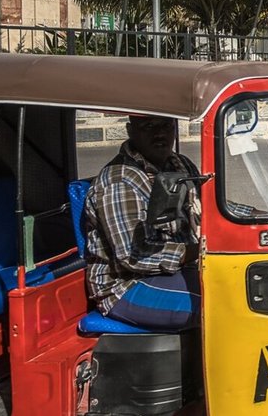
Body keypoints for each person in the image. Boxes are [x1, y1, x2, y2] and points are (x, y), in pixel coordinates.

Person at [83, 115, 201, 331]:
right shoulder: (120, 180)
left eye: (166, 125)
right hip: (127, 285)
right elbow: (134, 255)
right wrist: (198, 250)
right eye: (149, 126)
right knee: (221, 305)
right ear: (130, 131)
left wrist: (255, 218)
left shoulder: (180, 164)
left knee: (248, 286)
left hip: (177, 270)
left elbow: (211, 206)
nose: (160, 133)